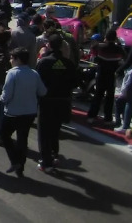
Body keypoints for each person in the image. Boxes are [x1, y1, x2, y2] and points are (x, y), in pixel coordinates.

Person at [0, 48, 47, 178]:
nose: (10, 60)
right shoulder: (34, 73)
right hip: (29, 112)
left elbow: (7, 94)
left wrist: (2, 98)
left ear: (18, 59)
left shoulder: (12, 73)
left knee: (4, 134)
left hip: (13, 112)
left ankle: (14, 160)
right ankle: (20, 165)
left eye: (12, 58)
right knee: (22, 138)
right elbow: (42, 91)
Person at [36, 33, 77, 173]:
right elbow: (74, 82)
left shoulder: (44, 62)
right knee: (55, 130)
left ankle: (46, 162)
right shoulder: (68, 64)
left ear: (49, 45)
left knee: (44, 132)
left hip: (46, 101)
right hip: (63, 101)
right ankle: (54, 154)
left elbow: (37, 82)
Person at [87, 28, 126, 124]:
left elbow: (93, 48)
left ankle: (91, 116)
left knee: (98, 96)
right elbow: (125, 57)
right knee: (109, 97)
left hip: (101, 75)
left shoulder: (100, 46)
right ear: (115, 38)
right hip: (111, 76)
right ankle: (108, 119)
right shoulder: (118, 49)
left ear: (106, 37)